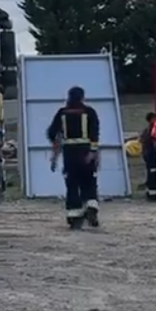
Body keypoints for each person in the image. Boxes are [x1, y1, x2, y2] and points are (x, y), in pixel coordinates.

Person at [45, 86, 101, 229]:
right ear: (82, 97)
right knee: (89, 180)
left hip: (69, 153)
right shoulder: (89, 112)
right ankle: (91, 205)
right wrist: (93, 151)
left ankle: (74, 216)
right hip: (86, 150)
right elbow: (95, 132)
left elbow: (52, 132)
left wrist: (55, 149)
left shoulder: (62, 113)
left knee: (72, 183)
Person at [140, 111, 156, 201]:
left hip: (147, 153)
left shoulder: (146, 130)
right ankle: (152, 193)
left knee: (151, 172)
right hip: (151, 154)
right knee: (153, 172)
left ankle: (150, 191)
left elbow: (141, 140)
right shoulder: (152, 129)